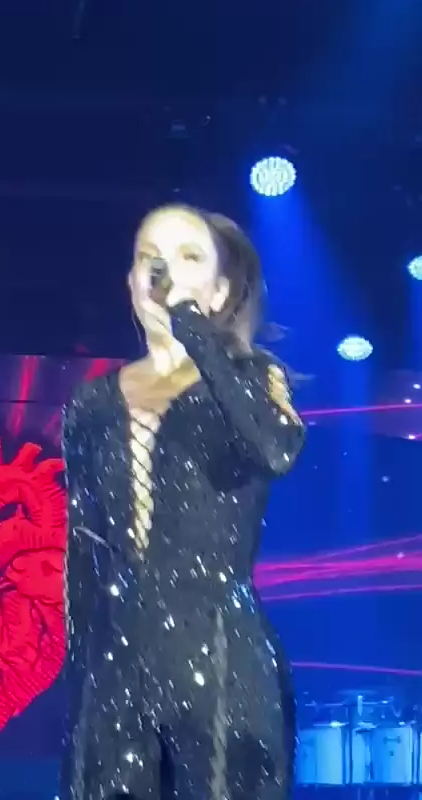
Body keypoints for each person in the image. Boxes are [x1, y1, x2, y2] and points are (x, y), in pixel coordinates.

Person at [61, 205, 305, 800]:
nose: (163, 270)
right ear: (131, 281)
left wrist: (192, 328)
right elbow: (81, 547)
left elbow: (275, 450)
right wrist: (83, 670)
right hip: (117, 667)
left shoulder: (256, 381)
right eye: (150, 258)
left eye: (188, 257)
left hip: (221, 660)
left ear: (220, 291)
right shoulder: (91, 406)